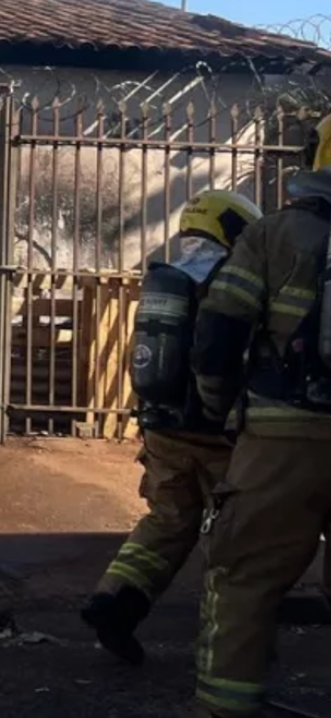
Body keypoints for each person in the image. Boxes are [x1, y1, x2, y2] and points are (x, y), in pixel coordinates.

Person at [189, 115, 331, 718]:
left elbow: (220, 331)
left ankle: (228, 716)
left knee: (245, 575)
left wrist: (217, 406)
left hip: (281, 441)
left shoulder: (273, 236)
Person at [80, 190, 262, 664]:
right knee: (234, 537)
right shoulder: (235, 282)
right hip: (220, 434)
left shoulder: (170, 276)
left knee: (167, 521)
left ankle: (115, 599)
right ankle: (224, 645)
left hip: (163, 431)